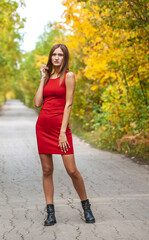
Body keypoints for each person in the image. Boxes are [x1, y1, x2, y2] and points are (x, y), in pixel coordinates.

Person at [34, 43, 95, 226]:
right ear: (50, 58)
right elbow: (38, 103)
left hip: (60, 130)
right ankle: (50, 213)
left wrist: (62, 132)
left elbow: (68, 105)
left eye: (60, 55)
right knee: (47, 170)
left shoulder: (69, 76)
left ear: (65, 57)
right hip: (43, 128)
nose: (56, 58)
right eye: (54, 55)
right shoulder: (48, 77)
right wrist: (43, 78)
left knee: (72, 170)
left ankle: (86, 207)